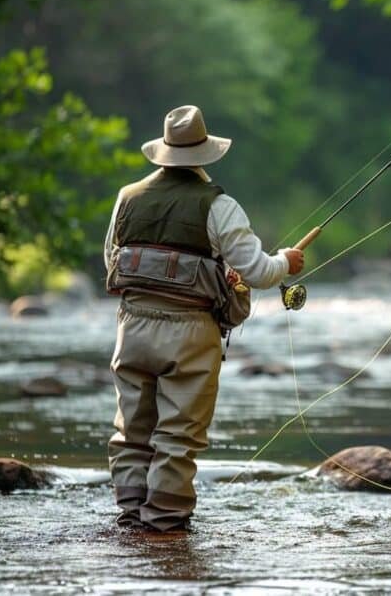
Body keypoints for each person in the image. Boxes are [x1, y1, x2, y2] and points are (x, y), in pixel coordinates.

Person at [103, 104, 304, 532]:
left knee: (132, 431)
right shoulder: (220, 206)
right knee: (176, 436)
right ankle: (165, 523)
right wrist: (286, 261)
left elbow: (111, 262)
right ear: (205, 153)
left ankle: (131, 518)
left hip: (131, 327)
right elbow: (259, 273)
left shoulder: (127, 197)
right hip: (191, 333)